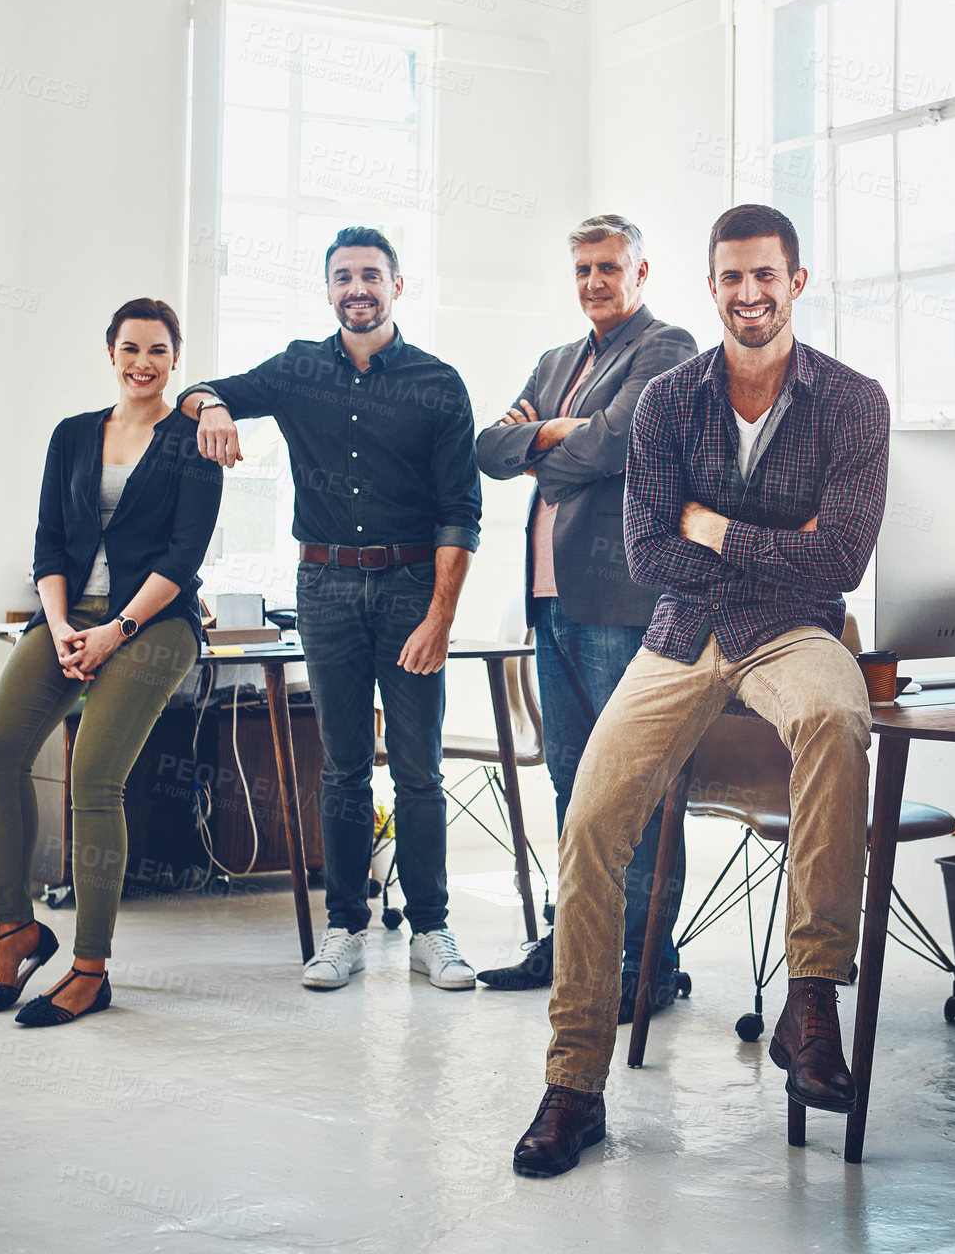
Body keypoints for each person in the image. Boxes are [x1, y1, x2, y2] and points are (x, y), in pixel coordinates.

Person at [513, 204, 890, 1178]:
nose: (749, 294)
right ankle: (573, 1083)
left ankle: (811, 1003)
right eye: (731, 278)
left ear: (795, 281)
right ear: (711, 285)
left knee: (838, 716)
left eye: (766, 276)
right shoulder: (668, 401)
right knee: (592, 818)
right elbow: (647, 551)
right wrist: (778, 546)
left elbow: (842, 557)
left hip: (794, 633)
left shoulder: (853, 402)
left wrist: (715, 529)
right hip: (679, 635)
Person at [181, 227, 482, 992]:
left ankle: (431, 929)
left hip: (413, 585)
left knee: (418, 772)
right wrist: (210, 402)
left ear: (396, 286)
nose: (358, 288)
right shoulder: (296, 368)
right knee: (344, 770)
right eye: (343, 276)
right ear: (327, 290)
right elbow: (202, 391)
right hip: (324, 589)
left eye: (371, 276)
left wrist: (441, 617)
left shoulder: (437, 382)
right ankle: (345, 929)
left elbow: (459, 511)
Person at [0, 300, 222, 1026]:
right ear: (110, 352)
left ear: (177, 358)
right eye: (130, 347)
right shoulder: (74, 435)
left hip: (156, 626)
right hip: (66, 620)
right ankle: (15, 931)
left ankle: (89, 968)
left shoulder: (194, 440)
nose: (143, 362)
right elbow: (49, 543)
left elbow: (183, 558)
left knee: (93, 777)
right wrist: (57, 628)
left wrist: (116, 629)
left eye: (158, 350)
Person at [475, 214, 696, 1015]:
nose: (594, 282)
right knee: (572, 786)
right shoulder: (557, 358)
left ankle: (646, 965)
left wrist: (541, 440)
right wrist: (555, 434)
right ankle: (575, 947)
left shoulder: (666, 348)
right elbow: (487, 451)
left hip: (617, 601)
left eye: (608, 268)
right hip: (549, 601)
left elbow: (617, 446)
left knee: (628, 790)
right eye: (581, 270)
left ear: (640, 272)